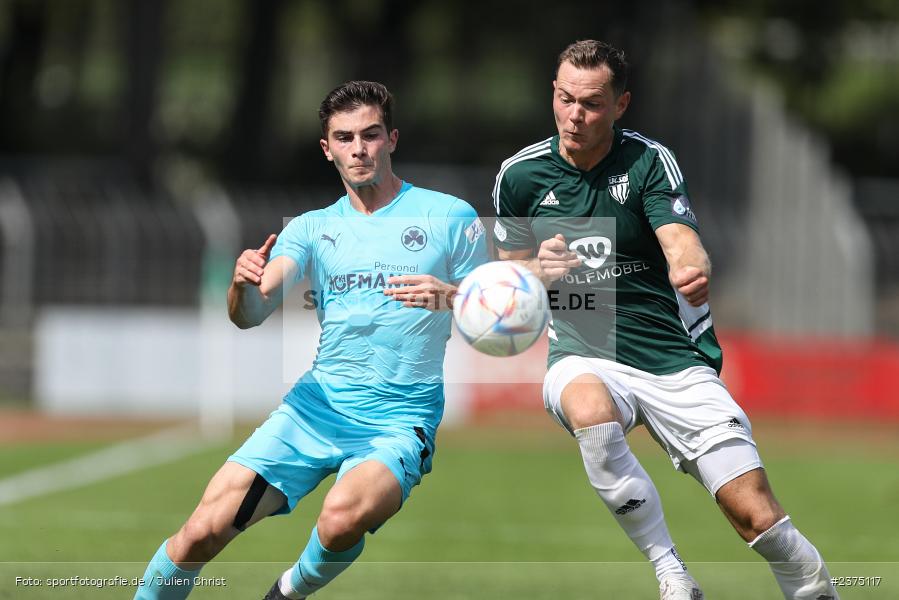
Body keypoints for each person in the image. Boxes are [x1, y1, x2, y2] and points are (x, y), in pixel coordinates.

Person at [493, 40, 837, 600]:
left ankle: (819, 589)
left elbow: (683, 242)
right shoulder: (520, 175)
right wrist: (536, 268)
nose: (574, 115)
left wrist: (691, 269)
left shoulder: (649, 160)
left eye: (592, 103)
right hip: (582, 349)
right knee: (590, 410)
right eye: (564, 98)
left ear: (621, 104)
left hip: (672, 359)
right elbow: (508, 277)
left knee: (758, 518)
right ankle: (671, 572)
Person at [133, 81, 488, 600]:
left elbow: (500, 311)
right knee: (200, 533)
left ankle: (285, 593)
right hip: (314, 410)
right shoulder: (311, 228)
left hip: (398, 419)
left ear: (392, 138)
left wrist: (454, 295)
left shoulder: (449, 216)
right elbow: (250, 314)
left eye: (370, 134)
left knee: (341, 519)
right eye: (344, 138)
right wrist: (241, 286)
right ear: (327, 149)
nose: (358, 148)